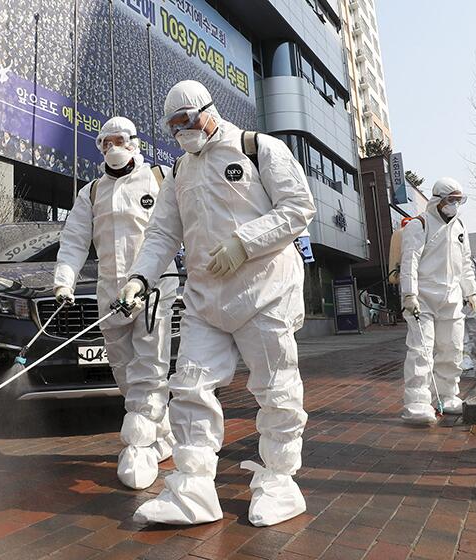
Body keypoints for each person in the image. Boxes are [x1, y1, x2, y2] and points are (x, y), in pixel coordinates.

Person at [118, 80, 316, 526]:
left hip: (265, 291)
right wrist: (138, 278)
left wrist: (244, 243)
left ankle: (280, 480)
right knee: (189, 387)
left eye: (186, 121)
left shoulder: (256, 148)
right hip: (206, 299)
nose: (181, 132)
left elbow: (298, 207)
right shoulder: (178, 173)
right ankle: (192, 488)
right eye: (172, 127)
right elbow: (163, 233)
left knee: (276, 389)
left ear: (208, 110)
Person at [53, 116, 177, 490]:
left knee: (150, 366)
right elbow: (74, 240)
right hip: (110, 295)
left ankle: (138, 447)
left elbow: (184, 225)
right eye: (104, 143)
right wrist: (64, 282)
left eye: (118, 140)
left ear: (135, 142)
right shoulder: (91, 192)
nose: (111, 148)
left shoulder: (161, 178)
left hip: (154, 289)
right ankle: (163, 433)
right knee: (124, 371)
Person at [399, 178, 476, 423]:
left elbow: (465, 263)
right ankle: (416, 402)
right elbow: (409, 261)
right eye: (451, 200)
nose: (454, 205)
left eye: (458, 200)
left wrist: (471, 291)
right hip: (423, 299)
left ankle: (447, 395)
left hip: (452, 298)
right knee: (421, 351)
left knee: (452, 349)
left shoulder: (459, 227)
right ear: (438, 199)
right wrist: (409, 294)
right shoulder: (419, 225)